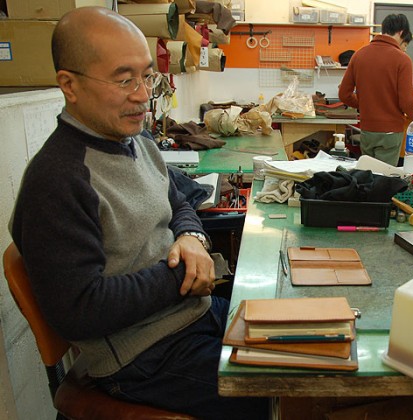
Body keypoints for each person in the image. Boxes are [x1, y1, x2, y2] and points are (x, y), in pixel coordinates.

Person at [9, 7, 268, 420]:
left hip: (194, 316)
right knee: (279, 396)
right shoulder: (58, 181)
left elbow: (178, 200)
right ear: (69, 85)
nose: (142, 94)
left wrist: (191, 238)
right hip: (143, 358)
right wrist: (184, 276)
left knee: (301, 348)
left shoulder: (136, 141)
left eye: (147, 76)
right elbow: (80, 311)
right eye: (124, 79)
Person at [339, 14, 413, 166]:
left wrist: (365, 104)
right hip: (390, 132)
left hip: (367, 130)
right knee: (384, 177)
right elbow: (407, 102)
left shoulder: (359, 55)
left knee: (368, 175)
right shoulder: (403, 59)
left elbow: (344, 94)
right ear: (401, 32)